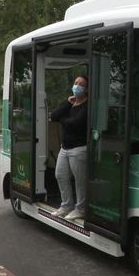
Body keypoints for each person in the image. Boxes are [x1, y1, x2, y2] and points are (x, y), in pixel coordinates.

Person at [50, 75, 88, 220]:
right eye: (75, 83)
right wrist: (67, 103)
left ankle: (81, 208)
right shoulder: (70, 104)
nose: (77, 86)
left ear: (86, 89)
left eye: (81, 84)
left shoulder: (87, 105)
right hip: (65, 148)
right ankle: (66, 205)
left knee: (80, 181)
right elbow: (54, 116)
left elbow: (75, 124)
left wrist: (63, 120)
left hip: (79, 149)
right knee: (60, 175)